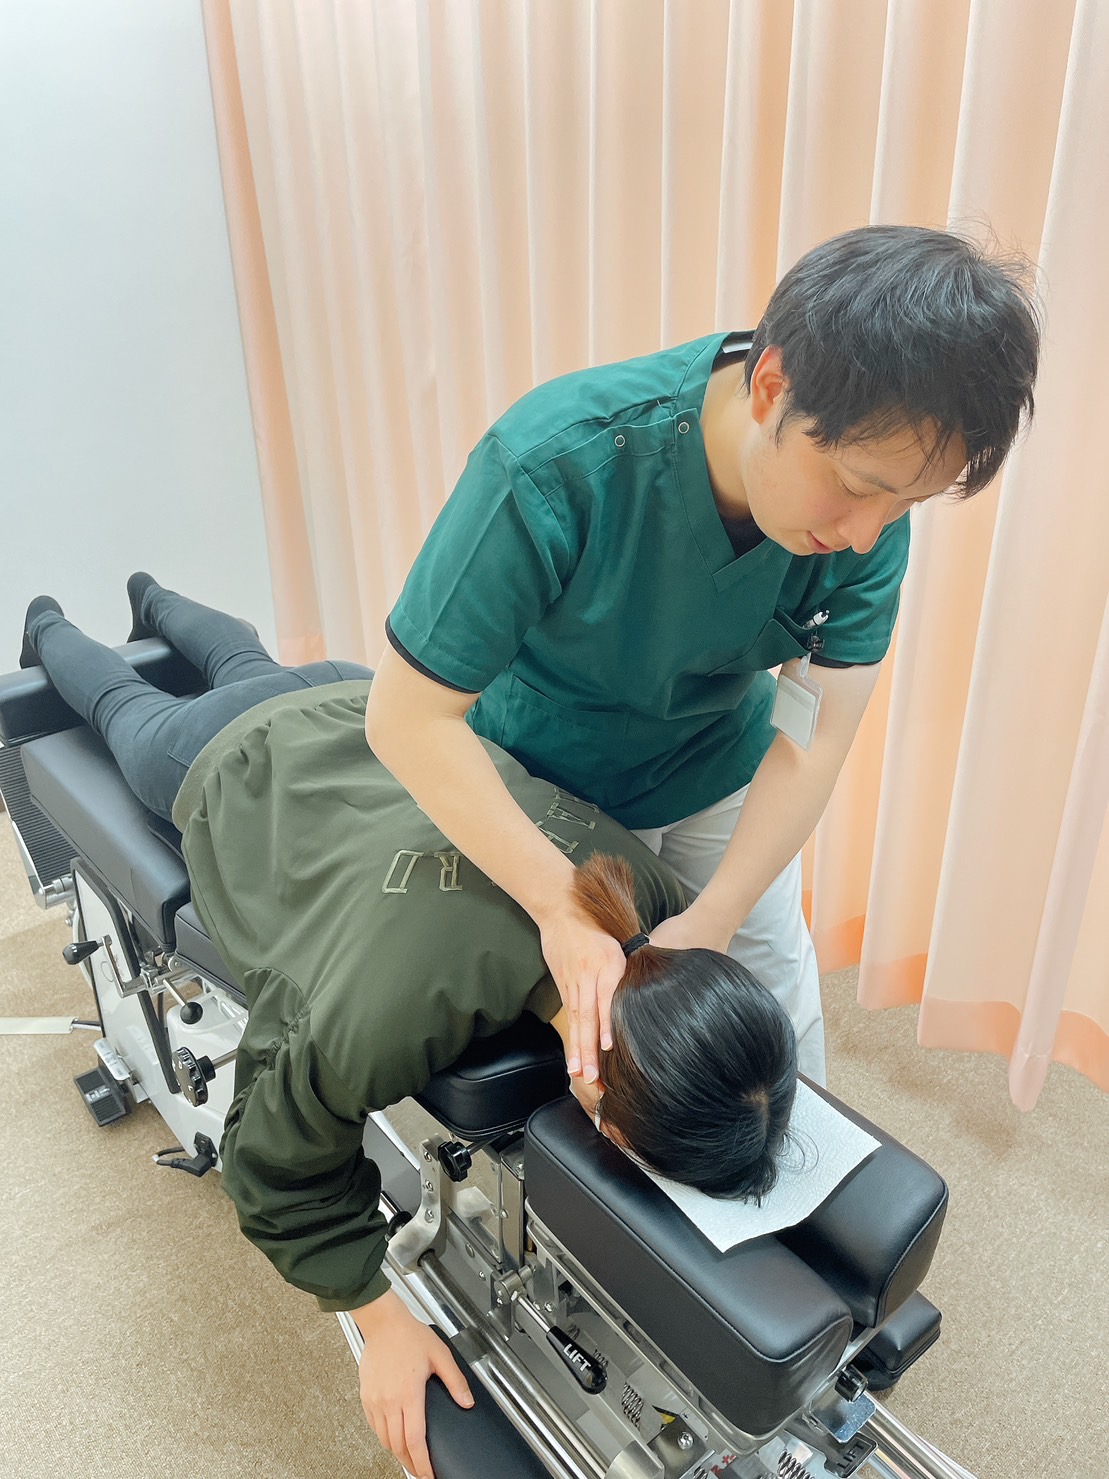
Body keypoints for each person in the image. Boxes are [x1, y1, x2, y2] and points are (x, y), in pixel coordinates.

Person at [19, 578, 797, 1479]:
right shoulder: (385, 1012)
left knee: (245, 658)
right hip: (232, 758)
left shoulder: (655, 900)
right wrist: (380, 1317)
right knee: (121, 705)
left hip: (356, 700)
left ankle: (152, 597)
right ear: (594, 1089)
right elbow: (269, 1166)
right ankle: (45, 622)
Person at [366, 224, 1042, 1097]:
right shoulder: (554, 463)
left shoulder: (869, 519)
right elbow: (407, 716)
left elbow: (813, 737)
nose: (865, 535)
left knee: (779, 1018)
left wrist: (718, 913)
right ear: (770, 388)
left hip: (719, 761)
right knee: (619, 1058)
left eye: (905, 502)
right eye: (857, 487)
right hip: (553, 776)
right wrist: (555, 901)